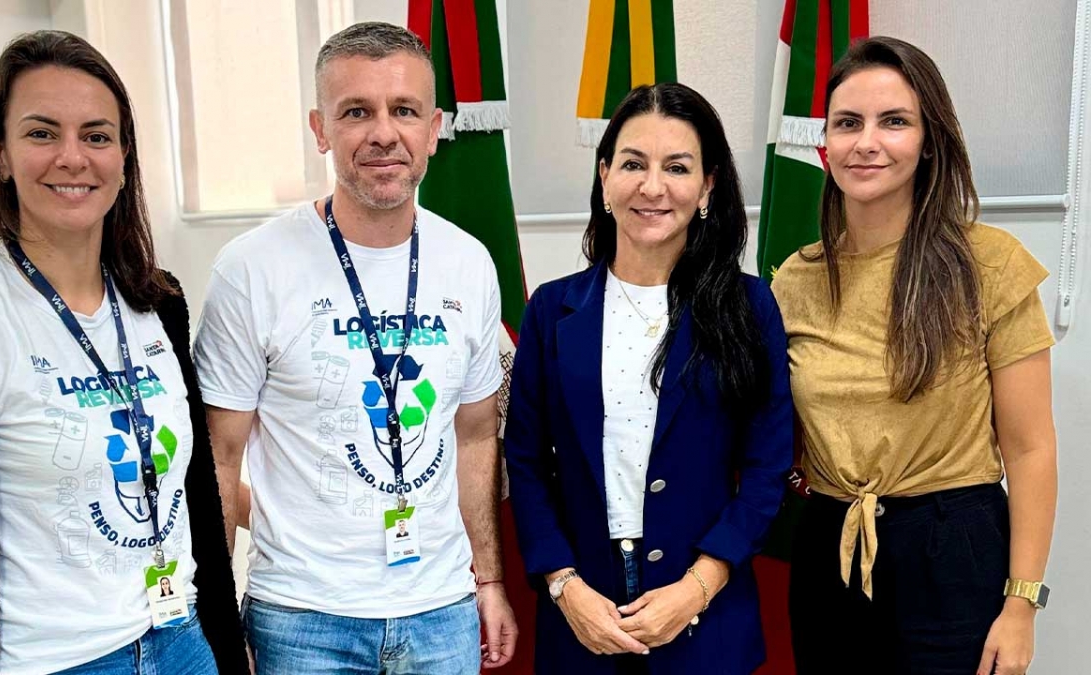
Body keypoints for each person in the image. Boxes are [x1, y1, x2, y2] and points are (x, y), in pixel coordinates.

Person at [0, 30, 247, 675]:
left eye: (96, 135)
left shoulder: (158, 301)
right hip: (51, 660)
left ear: (124, 156)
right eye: (42, 133)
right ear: (0, 155)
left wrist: (224, 642)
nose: (72, 157)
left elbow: (193, 487)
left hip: (182, 643)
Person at [194, 21, 517, 674]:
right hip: (302, 618)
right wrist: (220, 619)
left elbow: (477, 435)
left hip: (442, 612)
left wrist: (488, 578)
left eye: (405, 110)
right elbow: (219, 458)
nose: (383, 133)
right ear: (320, 129)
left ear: (435, 128)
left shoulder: (469, 263)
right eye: (356, 112)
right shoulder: (251, 268)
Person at [774, 37, 1058, 675]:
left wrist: (1022, 605)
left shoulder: (990, 264)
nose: (867, 142)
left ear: (929, 141)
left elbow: (1031, 449)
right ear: (825, 142)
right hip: (828, 547)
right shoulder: (796, 279)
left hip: (951, 548)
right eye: (848, 123)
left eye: (894, 121)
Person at [504, 82, 793, 675]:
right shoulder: (551, 311)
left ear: (707, 186)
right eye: (633, 164)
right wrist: (563, 585)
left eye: (677, 167)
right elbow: (526, 461)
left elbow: (768, 467)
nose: (652, 187)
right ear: (604, 176)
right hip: (582, 613)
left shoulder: (750, 306)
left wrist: (699, 585)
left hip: (705, 613)